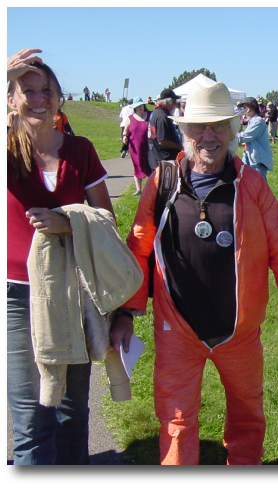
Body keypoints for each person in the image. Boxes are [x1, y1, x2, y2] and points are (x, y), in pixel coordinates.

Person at [115, 80, 278, 465]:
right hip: (177, 332)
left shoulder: (252, 185)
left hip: (239, 333)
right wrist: (125, 312)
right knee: (176, 424)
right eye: (199, 127)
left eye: (219, 125)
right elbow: (138, 249)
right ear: (184, 131)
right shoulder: (163, 182)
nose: (209, 136)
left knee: (248, 419)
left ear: (232, 130)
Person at [7, 48, 123, 465]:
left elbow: (106, 218)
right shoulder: (7, 149)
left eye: (46, 90)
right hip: (18, 299)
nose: (38, 98)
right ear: (11, 98)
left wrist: (69, 221)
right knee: (33, 417)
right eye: (27, 89)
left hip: (76, 293)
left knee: (74, 413)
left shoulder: (80, 149)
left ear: (59, 97)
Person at [237, 97, 273, 180]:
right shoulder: (252, 121)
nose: (244, 111)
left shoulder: (258, 121)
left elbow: (245, 137)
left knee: (259, 186)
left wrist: (228, 137)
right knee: (246, 182)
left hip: (257, 159)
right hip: (249, 154)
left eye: (246, 108)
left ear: (253, 107)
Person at [122, 97, 152, 195]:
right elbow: (125, 131)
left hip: (148, 146)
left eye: (142, 106)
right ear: (134, 108)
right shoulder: (130, 118)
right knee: (137, 165)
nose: (141, 108)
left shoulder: (149, 115)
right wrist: (124, 137)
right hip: (135, 146)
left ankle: (151, 188)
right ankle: (138, 189)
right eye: (138, 106)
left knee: (149, 166)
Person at [149, 88, 183, 171]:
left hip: (157, 158)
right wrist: (179, 146)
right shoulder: (162, 117)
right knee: (166, 184)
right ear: (169, 102)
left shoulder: (156, 113)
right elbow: (162, 140)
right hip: (164, 161)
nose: (176, 104)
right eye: (174, 101)